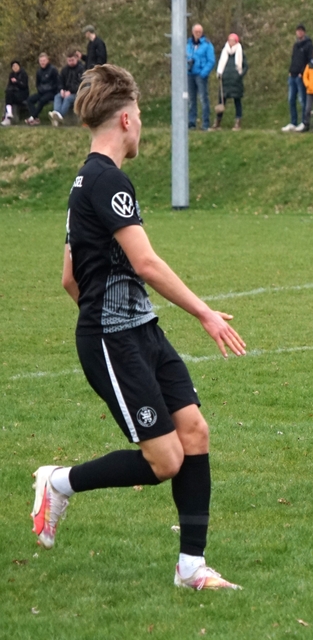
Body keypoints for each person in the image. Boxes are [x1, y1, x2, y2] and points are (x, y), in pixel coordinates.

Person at [31, 64, 245, 589]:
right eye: (142, 115)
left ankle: (191, 567)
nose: (142, 124)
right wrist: (203, 313)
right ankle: (59, 482)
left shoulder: (85, 181)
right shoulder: (107, 180)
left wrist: (114, 314)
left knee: (194, 432)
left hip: (140, 329)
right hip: (115, 338)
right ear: (126, 119)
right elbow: (145, 263)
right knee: (166, 458)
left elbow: (68, 277)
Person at [282, 24, 313, 133]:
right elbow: (293, 59)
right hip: (292, 75)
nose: (299, 32)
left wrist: (302, 73)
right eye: (298, 31)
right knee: (291, 100)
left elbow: (309, 61)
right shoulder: (295, 45)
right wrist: (290, 71)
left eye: (301, 31)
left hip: (301, 76)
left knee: (302, 100)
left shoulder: (309, 45)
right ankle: (293, 122)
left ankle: (304, 122)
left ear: (304, 32)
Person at [213, 33, 247, 132]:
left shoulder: (240, 52)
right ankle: (217, 122)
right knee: (221, 101)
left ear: (236, 42)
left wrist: (239, 75)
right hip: (224, 82)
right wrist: (220, 74)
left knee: (237, 101)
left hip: (236, 82)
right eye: (229, 40)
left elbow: (245, 66)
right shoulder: (224, 51)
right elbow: (220, 64)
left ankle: (238, 122)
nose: (231, 42)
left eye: (233, 40)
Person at [186, 24, 215, 131]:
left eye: (199, 32)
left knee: (203, 99)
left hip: (200, 75)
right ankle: (191, 122)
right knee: (191, 100)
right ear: (192, 32)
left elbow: (211, 61)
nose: (198, 34)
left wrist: (203, 73)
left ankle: (205, 123)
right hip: (189, 74)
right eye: (196, 32)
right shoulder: (188, 44)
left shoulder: (207, 45)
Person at [50, 50, 86, 127]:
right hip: (66, 91)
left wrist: (70, 91)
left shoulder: (81, 69)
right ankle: (57, 114)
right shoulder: (64, 70)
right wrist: (61, 89)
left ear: (76, 59)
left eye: (72, 60)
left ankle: (59, 116)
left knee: (68, 99)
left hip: (77, 93)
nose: (71, 62)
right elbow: (60, 81)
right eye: (69, 60)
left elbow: (81, 84)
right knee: (57, 96)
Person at [25, 53, 60, 126]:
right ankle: (36, 118)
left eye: (44, 60)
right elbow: (37, 84)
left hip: (51, 92)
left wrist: (49, 89)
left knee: (42, 100)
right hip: (41, 92)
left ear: (48, 60)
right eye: (41, 61)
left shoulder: (53, 70)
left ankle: (32, 117)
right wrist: (40, 89)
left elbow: (57, 83)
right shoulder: (39, 71)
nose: (42, 62)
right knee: (29, 100)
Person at [2, 60, 29, 126]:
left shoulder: (23, 74)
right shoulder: (11, 75)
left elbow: (24, 86)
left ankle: (8, 116)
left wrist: (17, 82)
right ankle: (8, 115)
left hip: (22, 94)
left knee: (9, 96)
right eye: (13, 66)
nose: (15, 67)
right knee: (8, 93)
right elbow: (9, 85)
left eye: (16, 66)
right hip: (13, 94)